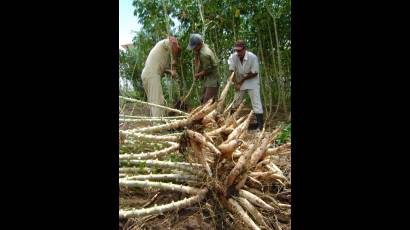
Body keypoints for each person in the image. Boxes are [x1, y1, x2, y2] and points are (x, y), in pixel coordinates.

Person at [141, 36, 181, 117]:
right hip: (151, 75)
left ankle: (159, 124)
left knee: (157, 101)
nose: (177, 50)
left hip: (148, 74)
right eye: (177, 48)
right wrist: (174, 62)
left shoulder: (162, 51)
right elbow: (173, 42)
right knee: (156, 103)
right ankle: (158, 127)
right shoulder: (165, 42)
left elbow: (162, 68)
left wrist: (170, 72)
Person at [228, 40, 264, 131]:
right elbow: (231, 71)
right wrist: (236, 83)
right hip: (239, 80)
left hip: (252, 81)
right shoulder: (233, 57)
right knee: (236, 101)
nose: (238, 52)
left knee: (256, 103)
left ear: (245, 49)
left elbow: (254, 73)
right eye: (236, 50)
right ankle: (230, 122)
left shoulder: (253, 57)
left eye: (240, 50)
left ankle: (260, 126)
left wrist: (241, 81)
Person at [187, 33, 219, 104]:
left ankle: (213, 114)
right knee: (203, 98)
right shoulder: (201, 48)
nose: (193, 49)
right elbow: (198, 60)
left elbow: (208, 70)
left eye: (194, 47)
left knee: (207, 101)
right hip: (207, 79)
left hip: (212, 79)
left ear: (199, 44)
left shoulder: (204, 54)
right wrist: (197, 72)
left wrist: (198, 75)